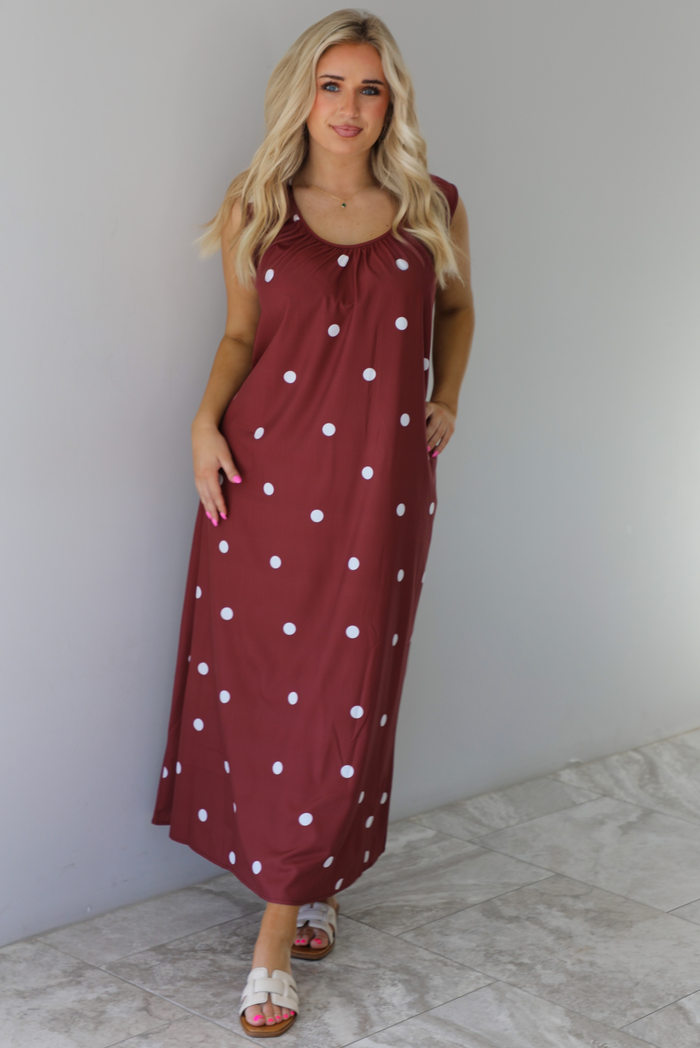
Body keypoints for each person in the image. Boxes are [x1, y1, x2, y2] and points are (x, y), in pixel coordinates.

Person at [151, 7, 474, 1038]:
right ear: (302, 94)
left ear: (392, 103)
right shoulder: (256, 203)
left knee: (348, 692)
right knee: (270, 694)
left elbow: (456, 309)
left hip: (381, 491)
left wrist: (447, 395)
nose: (349, 107)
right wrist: (203, 423)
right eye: (332, 85)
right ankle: (298, 894)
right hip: (263, 481)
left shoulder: (431, 205)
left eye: (370, 89)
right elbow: (241, 335)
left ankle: (279, 924)